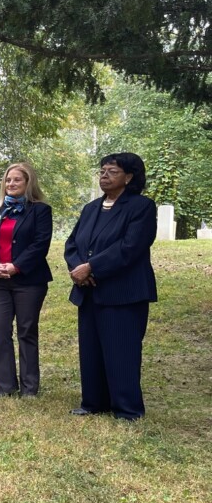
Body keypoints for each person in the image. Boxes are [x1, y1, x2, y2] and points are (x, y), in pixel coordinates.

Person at [64, 152, 157, 421]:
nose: (104, 175)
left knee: (122, 350)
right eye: (102, 170)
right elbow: (73, 244)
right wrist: (78, 268)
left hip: (124, 291)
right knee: (91, 349)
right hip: (89, 290)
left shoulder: (141, 207)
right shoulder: (91, 208)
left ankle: (127, 410)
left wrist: (92, 267)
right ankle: (93, 402)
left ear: (129, 177)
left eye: (112, 171)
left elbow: (130, 247)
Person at [0, 162, 53, 397]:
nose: (11, 184)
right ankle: (5, 386)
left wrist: (16, 267)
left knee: (26, 331)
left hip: (28, 281)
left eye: (17, 180)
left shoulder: (40, 210)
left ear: (28, 182)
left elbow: (40, 244)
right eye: (8, 180)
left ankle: (30, 388)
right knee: (0, 332)